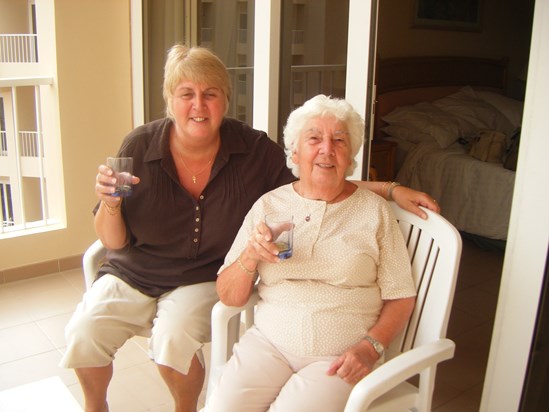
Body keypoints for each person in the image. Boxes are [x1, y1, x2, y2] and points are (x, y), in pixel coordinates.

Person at [60, 44, 436, 412]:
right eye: (186, 94)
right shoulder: (141, 145)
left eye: (210, 94)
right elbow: (114, 241)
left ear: (226, 99)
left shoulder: (253, 150)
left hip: (199, 279)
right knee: (84, 330)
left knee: (173, 336)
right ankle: (95, 407)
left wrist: (388, 188)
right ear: (169, 99)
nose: (198, 105)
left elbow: (316, 177)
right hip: (135, 270)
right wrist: (111, 203)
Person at [208, 94, 417, 412]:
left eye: (339, 140)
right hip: (269, 344)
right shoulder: (269, 205)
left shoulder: (374, 212)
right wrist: (250, 256)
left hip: (340, 357)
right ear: (295, 151)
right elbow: (229, 296)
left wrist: (371, 347)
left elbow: (401, 295)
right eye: (314, 138)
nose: (327, 150)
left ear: (351, 156)